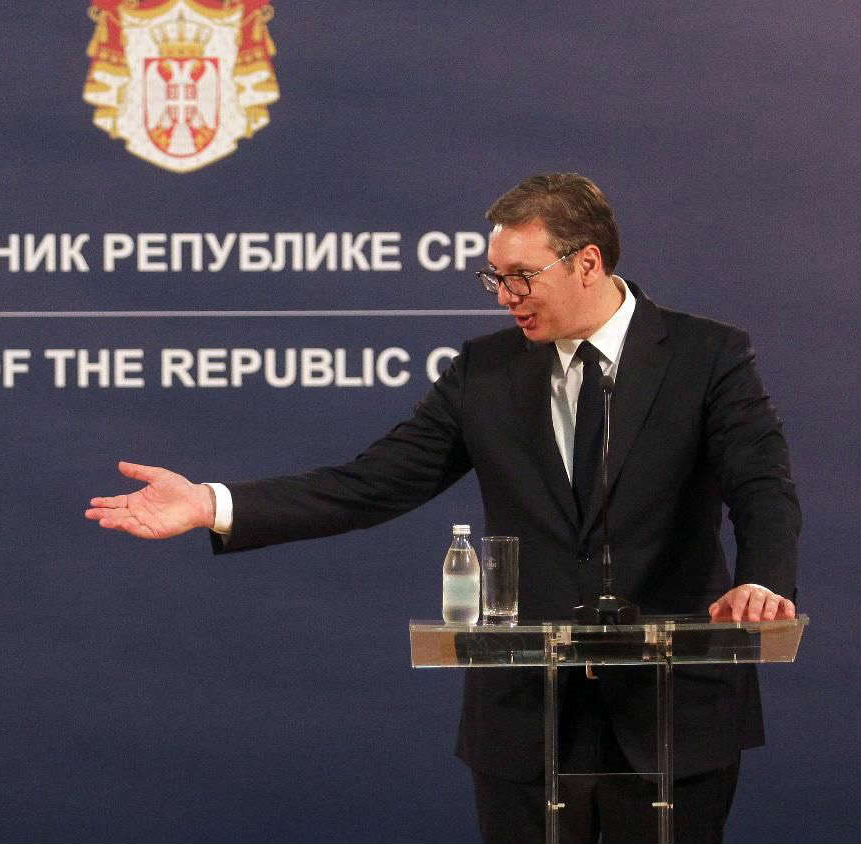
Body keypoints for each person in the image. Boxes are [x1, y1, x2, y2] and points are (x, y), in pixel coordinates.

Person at [85, 173, 798, 843]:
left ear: (586, 263)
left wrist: (763, 580)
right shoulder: (484, 372)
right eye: (495, 277)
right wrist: (210, 503)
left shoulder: (707, 355)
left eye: (521, 276)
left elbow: (761, 484)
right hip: (527, 718)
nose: (505, 296)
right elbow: (372, 483)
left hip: (673, 712)